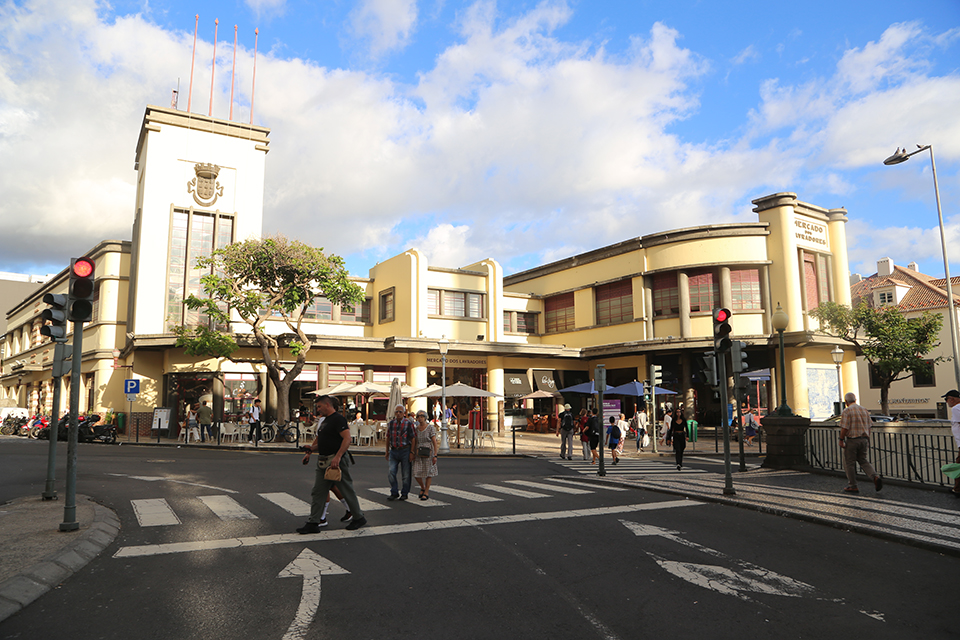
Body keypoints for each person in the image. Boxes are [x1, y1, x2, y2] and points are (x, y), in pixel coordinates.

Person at [297, 395, 366, 532]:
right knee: (318, 491)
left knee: (346, 489)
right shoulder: (325, 421)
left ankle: (358, 517)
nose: (318, 409)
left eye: (319, 406)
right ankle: (314, 522)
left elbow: (347, 439)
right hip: (323, 460)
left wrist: (338, 457)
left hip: (335, 461)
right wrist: (311, 449)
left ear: (327, 405)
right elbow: (324, 441)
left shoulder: (338, 419)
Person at [839, 392, 883, 494]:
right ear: (855, 400)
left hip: (852, 440)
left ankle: (853, 486)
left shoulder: (847, 411)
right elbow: (869, 426)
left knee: (849, 463)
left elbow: (844, 427)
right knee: (863, 460)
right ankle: (875, 476)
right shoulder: (864, 410)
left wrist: (841, 439)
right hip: (863, 439)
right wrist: (867, 439)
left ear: (846, 402)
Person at [385, 404, 416, 500]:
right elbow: (388, 437)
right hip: (394, 450)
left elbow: (413, 438)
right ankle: (394, 492)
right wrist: (387, 451)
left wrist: (412, 452)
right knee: (391, 472)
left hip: (405, 450)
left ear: (404, 413)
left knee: (406, 474)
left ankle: (404, 493)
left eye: (400, 412)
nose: (398, 414)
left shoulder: (408, 423)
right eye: (396, 412)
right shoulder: (391, 423)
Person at [412, 410, 439, 500]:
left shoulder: (430, 428)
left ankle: (426, 491)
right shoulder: (416, 428)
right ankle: (422, 487)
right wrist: (413, 452)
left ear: (425, 417)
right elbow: (415, 441)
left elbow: (434, 441)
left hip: (428, 452)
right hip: (419, 452)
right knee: (416, 472)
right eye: (418, 416)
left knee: (428, 473)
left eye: (422, 416)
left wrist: (435, 454)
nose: (420, 418)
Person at [943, 390, 960, 497]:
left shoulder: (956, 408)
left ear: (951, 399)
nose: (947, 402)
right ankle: (957, 489)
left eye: (946, 399)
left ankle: (958, 490)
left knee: (958, 466)